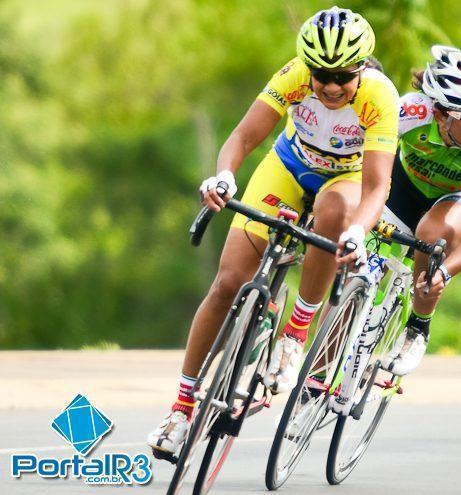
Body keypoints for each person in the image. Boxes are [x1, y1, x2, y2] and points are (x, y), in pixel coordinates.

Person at [147, 6, 399, 456]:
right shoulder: (294, 77)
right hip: (289, 164)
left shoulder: (379, 98)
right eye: (322, 74)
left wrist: (360, 230)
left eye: (343, 75)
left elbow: (379, 184)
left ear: (360, 68)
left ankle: (296, 331)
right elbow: (243, 137)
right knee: (227, 284)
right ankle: (181, 408)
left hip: (347, 178)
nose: (331, 85)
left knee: (334, 207)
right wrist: (224, 176)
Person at [381, 45, 461, 375]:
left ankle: (417, 325)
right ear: (442, 114)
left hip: (451, 202)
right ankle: (318, 378)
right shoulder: (408, 112)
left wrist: (445, 272)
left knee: (431, 233)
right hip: (401, 188)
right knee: (355, 273)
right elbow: (365, 160)